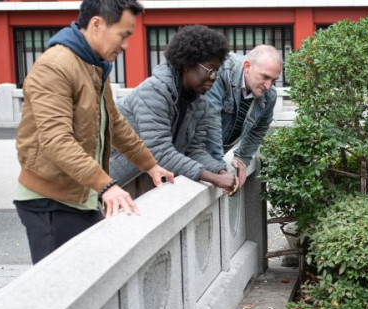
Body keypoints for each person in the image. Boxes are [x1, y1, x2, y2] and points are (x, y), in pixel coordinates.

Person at [14, 0, 174, 264]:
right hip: (50, 201)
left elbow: (115, 123)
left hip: (81, 196)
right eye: (123, 35)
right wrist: (106, 185)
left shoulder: (94, 65)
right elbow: (56, 140)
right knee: (61, 291)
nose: (125, 45)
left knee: (95, 277)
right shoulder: (55, 66)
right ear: (97, 24)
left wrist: (151, 166)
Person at [109, 25, 238, 194]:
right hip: (123, 180)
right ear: (187, 64)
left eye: (217, 72)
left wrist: (220, 171)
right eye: (210, 70)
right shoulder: (153, 92)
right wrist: (214, 178)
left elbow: (195, 149)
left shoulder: (199, 102)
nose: (214, 78)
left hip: (156, 177)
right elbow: (159, 151)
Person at [205, 45, 282, 189]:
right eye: (265, 77)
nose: (268, 85)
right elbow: (211, 120)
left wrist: (243, 157)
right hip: (183, 148)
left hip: (210, 156)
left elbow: (259, 129)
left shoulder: (269, 96)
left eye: (273, 80)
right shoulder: (222, 71)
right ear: (247, 66)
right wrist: (218, 168)